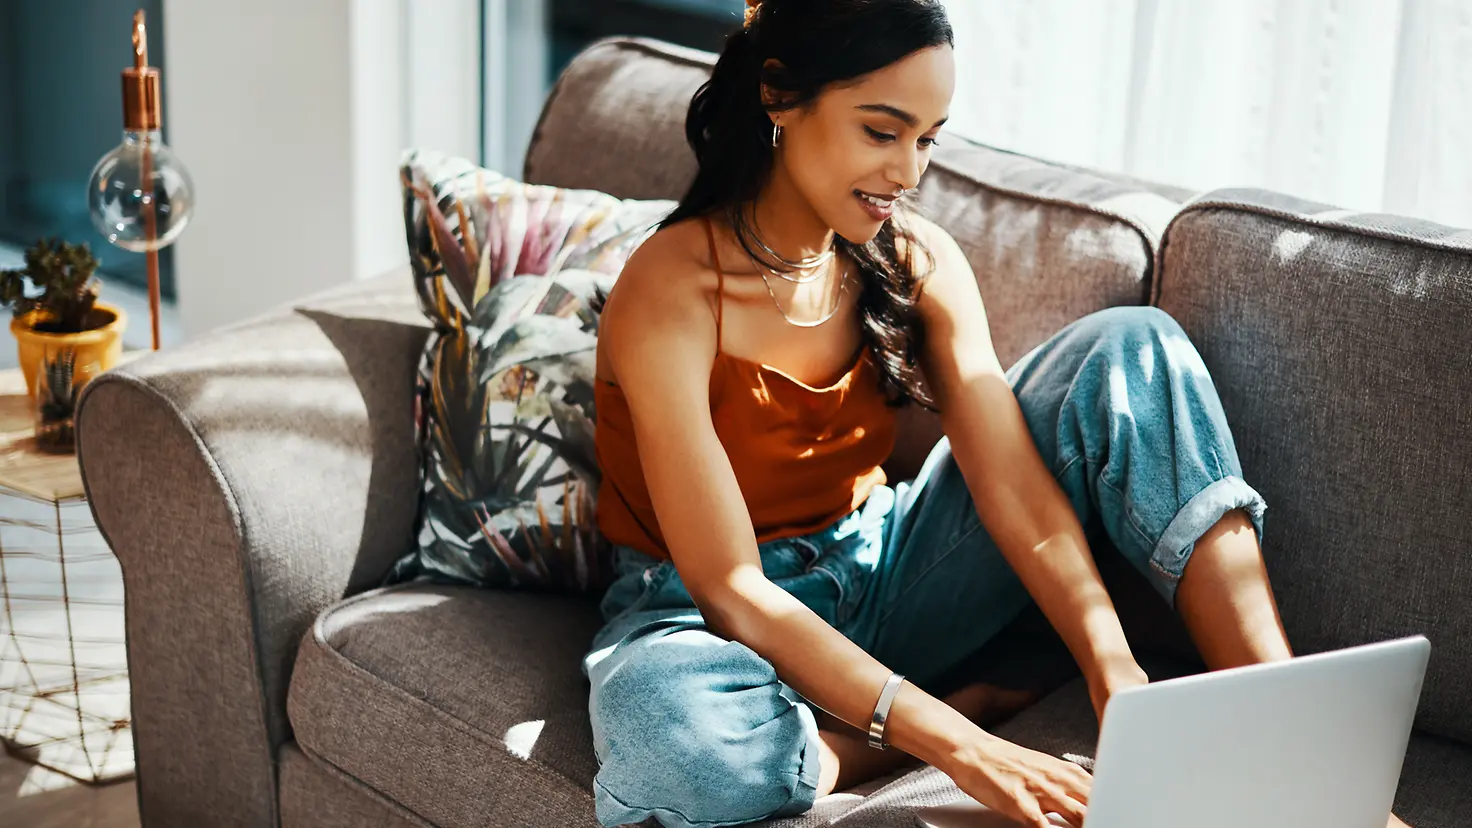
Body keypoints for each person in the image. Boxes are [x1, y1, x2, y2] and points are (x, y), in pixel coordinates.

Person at [582, 2, 1411, 827]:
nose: (909, 172)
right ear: (778, 94)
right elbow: (733, 589)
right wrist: (964, 744)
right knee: (674, 743)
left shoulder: (916, 256)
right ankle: (862, 747)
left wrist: (1112, 669)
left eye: (929, 137)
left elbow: (1012, 490)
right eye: (882, 131)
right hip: (701, 617)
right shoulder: (670, 288)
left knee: (1133, 347)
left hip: (886, 571)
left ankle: (1290, 739)